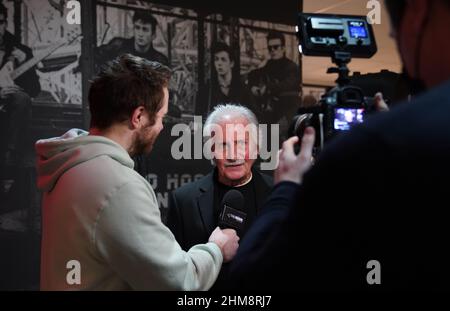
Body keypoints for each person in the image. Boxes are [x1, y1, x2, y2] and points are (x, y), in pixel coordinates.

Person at [227, 0, 450, 291]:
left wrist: (287, 188)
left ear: (418, 13)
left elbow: (251, 283)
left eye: (394, 38)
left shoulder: (378, 146)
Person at [36, 54, 239, 290]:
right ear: (139, 116)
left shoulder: (69, 165)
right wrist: (216, 249)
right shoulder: (118, 187)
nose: (163, 126)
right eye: (161, 116)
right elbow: (178, 281)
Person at [166, 104, 272, 289]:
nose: (233, 155)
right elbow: (174, 273)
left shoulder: (280, 193)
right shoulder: (184, 200)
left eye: (241, 143)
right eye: (223, 145)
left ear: (257, 147)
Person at [0, 3, 40, 195]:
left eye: (0, 23)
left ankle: (10, 167)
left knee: (23, 99)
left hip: (10, 118)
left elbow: (34, 89)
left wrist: (25, 63)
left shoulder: (20, 50)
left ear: (5, 23)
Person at [248, 31, 300, 129]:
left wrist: (268, 87)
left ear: (283, 48)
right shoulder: (268, 65)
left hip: (285, 113)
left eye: (275, 47)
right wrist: (253, 86)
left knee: (276, 139)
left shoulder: (291, 67)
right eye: (270, 48)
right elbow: (253, 74)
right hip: (270, 114)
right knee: (267, 139)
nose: (272, 50)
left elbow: (288, 85)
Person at [96, 10, 168, 67]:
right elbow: (95, 56)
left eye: (145, 29)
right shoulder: (118, 45)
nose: (140, 34)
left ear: (153, 35)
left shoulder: (159, 60)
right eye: (137, 28)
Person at [205, 42, 253, 115]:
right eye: (216, 59)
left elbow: (253, 115)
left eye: (223, 59)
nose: (219, 63)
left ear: (231, 63)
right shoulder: (207, 89)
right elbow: (198, 119)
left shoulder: (242, 89)